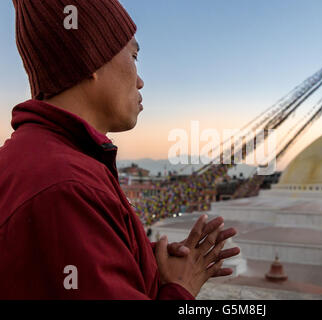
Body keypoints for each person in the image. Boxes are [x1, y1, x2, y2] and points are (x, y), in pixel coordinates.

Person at [0, 0, 240, 299]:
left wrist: (142, 261)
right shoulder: (66, 186)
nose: (140, 80)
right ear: (90, 61)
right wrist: (182, 288)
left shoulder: (44, 160)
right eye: (134, 56)